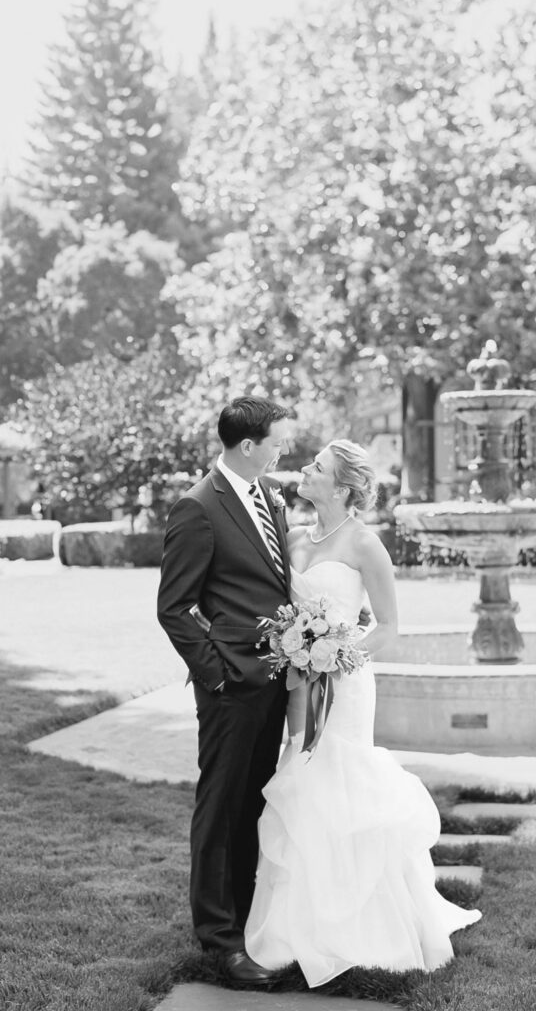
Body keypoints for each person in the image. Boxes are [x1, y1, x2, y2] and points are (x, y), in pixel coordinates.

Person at [244, 439, 481, 987]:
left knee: (341, 783)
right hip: (299, 683)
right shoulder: (296, 539)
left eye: (317, 468)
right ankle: (292, 927)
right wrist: (300, 654)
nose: (305, 470)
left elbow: (390, 627)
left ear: (344, 487)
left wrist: (335, 657)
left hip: (344, 684)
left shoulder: (365, 544)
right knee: (300, 781)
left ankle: (364, 927)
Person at [157, 396, 293, 985]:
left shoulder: (271, 499)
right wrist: (217, 674)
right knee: (220, 808)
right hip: (230, 687)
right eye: (278, 440)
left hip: (277, 682)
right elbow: (175, 608)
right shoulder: (198, 509)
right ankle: (219, 940)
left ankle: (247, 919)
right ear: (248, 446)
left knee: (254, 805)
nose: (284, 448)